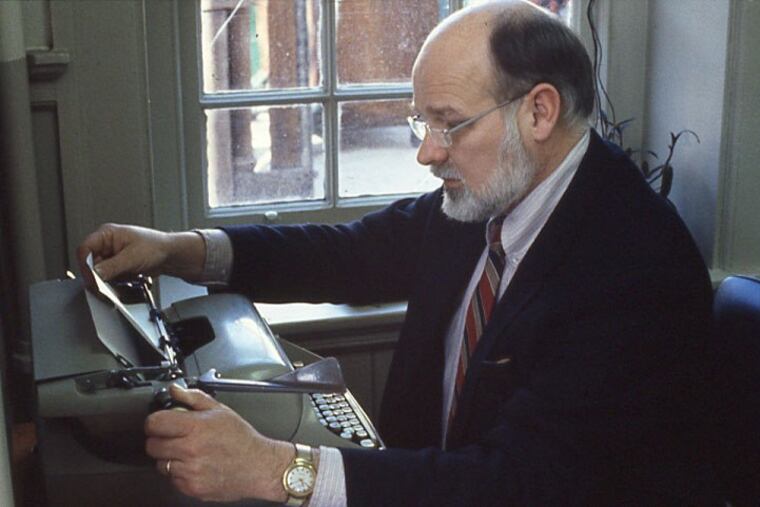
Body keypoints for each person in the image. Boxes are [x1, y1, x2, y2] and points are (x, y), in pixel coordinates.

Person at [78, 1, 721, 505]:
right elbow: (346, 254)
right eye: (422, 123)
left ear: (540, 112)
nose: (427, 151)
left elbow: (517, 485)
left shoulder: (633, 267)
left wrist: (276, 469)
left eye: (448, 122)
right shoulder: (493, 190)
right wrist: (175, 250)